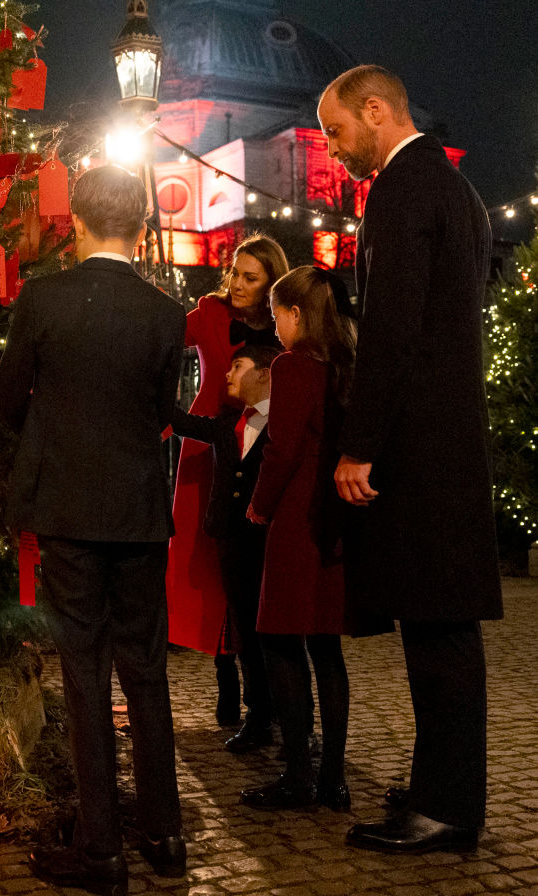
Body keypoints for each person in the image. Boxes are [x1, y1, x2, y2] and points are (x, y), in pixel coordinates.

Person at [317, 65, 503, 853]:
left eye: (335, 132)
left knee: (437, 632)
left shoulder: (398, 191)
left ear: (374, 110)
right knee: (438, 629)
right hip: (450, 436)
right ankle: (439, 788)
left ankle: (448, 808)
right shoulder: (454, 189)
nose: (333, 152)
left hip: (420, 449)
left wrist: (359, 445)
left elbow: (391, 330)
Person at [0, 165, 187, 895]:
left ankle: (102, 847)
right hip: (137, 511)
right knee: (145, 670)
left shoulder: (45, 299)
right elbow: (162, 411)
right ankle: (164, 833)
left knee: (84, 674)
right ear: (139, 226)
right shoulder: (165, 313)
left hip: (69, 508)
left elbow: (9, 395)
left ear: (74, 224)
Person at [242, 266, 356, 812]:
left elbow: (281, 447)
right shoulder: (343, 363)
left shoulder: (292, 365)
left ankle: (296, 773)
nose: (275, 328)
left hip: (295, 517)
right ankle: (333, 778)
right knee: (326, 648)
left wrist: (260, 506)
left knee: (280, 640)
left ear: (294, 314)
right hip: (334, 517)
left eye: (276, 315)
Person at [166, 234, 290, 726]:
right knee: (209, 564)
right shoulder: (210, 313)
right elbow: (161, 338)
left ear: (270, 284)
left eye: (249, 277)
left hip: (263, 451)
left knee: (253, 571)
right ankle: (225, 681)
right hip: (208, 447)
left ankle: (265, 690)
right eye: (234, 272)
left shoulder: (285, 323)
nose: (236, 283)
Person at [169, 344, 280, 754]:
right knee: (244, 628)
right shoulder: (226, 423)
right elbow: (181, 422)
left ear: (266, 373)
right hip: (231, 540)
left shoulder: (282, 422)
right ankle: (258, 714)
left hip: (267, 541)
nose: (229, 374)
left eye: (238, 365)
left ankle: (288, 713)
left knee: (276, 632)